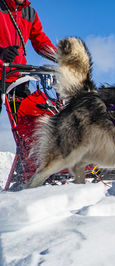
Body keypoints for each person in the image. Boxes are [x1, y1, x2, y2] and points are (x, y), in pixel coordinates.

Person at [0, 0, 57, 189]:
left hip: (18, 76)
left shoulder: (29, 13)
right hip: (2, 71)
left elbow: (40, 41)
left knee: (28, 122)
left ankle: (28, 169)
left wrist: (62, 58)